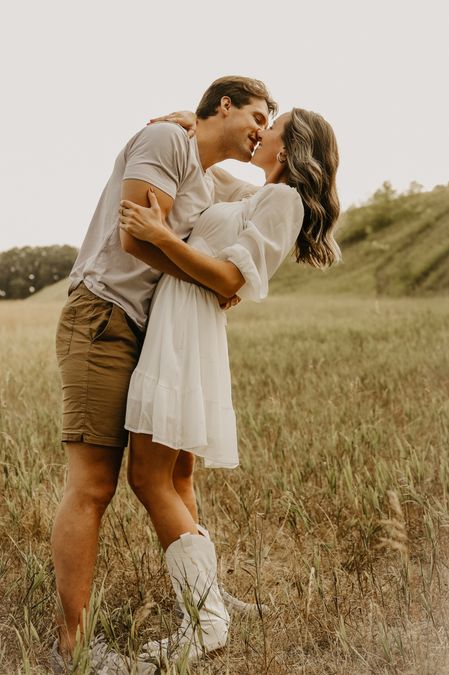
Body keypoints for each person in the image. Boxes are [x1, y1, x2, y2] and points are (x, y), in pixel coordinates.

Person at [50, 75, 277, 675]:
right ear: (223, 104)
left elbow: (265, 193)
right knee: (94, 483)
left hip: (151, 330)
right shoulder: (165, 142)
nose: (261, 129)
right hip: (104, 316)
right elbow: (136, 238)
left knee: (179, 470)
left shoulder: (203, 174)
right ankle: (72, 646)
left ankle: (205, 596)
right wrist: (210, 277)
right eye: (257, 115)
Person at [117, 107, 341, 667]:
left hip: (188, 324)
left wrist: (159, 236)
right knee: (178, 471)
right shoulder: (252, 192)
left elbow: (229, 279)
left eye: (273, 126)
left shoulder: (282, 201)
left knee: (147, 476)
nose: (260, 133)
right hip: (183, 316)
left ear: (288, 149)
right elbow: (206, 163)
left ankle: (205, 620)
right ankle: (211, 595)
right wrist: (192, 119)